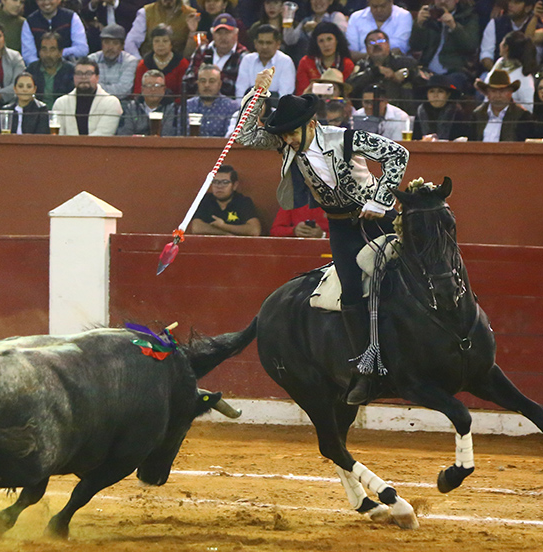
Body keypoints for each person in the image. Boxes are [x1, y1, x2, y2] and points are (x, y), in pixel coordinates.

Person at [237, 67, 409, 405]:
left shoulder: (344, 137)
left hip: (377, 217)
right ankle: (366, 369)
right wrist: (257, 96)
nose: (286, 140)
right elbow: (244, 136)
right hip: (342, 225)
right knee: (349, 292)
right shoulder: (286, 144)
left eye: (291, 133)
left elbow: (397, 154)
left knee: (412, 275)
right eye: (283, 134)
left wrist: (379, 199)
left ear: (311, 124)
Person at [410, 0, 480, 95]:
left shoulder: (468, 17)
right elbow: (415, 46)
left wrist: (454, 26)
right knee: (411, 80)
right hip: (428, 69)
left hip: (454, 70)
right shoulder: (428, 14)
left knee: (448, 86)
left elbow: (471, 47)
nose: (443, 1)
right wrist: (419, 24)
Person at [345, 28, 421, 114]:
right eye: (371, 42)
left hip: (402, 113)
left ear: (388, 45)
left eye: (381, 40)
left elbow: (422, 81)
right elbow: (350, 87)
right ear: (366, 49)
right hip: (367, 114)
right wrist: (374, 71)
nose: (376, 44)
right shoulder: (362, 66)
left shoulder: (405, 62)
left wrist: (406, 74)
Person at [182, 13, 248, 98]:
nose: (223, 37)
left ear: (236, 34)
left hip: (231, 106)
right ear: (213, 35)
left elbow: (237, 88)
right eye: (219, 33)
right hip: (199, 103)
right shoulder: (202, 51)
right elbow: (187, 82)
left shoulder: (243, 56)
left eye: (227, 33)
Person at [51, 56, 122, 135]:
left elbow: (103, 135)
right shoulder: (61, 103)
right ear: (74, 77)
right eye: (79, 74)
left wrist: (77, 146)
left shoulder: (111, 103)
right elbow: (58, 137)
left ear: (97, 77)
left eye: (88, 73)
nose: (83, 77)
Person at [189, 164, 262, 236]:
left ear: (235, 185)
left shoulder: (243, 202)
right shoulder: (205, 200)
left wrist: (223, 226)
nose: (219, 186)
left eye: (225, 182)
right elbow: (196, 228)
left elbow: (254, 230)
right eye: (215, 182)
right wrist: (224, 233)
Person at [470, 68, 531, 141]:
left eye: (502, 91)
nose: (498, 95)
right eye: (493, 91)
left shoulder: (522, 116)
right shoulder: (477, 115)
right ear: (487, 94)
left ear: (510, 93)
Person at [235, 23, 294, 97]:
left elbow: (285, 96)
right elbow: (240, 92)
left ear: (278, 44)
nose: (264, 47)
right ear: (255, 43)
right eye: (261, 42)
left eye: (269, 43)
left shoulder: (285, 62)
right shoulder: (247, 60)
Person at [295, 21, 353, 96]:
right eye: (321, 41)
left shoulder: (347, 64)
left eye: (329, 39)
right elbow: (301, 93)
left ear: (337, 40)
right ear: (316, 43)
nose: (326, 44)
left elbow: (346, 93)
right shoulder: (306, 62)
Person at [21, 0, 88, 64]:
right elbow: (28, 56)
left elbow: (82, 49)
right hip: (39, 70)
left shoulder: (72, 17)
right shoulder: (29, 22)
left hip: (69, 67)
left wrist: (59, 53)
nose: (46, 2)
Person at [478, 0, 537, 74]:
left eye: (516, 2)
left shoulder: (537, 25)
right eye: (510, 1)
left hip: (527, 74)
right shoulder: (495, 24)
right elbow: (486, 55)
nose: (510, 5)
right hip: (496, 73)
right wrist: (498, 73)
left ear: (528, 8)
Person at [124, 0, 196, 59]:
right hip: (149, 64)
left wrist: (192, 32)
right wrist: (139, 61)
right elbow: (131, 42)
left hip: (179, 65)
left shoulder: (191, 14)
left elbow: (194, 51)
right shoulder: (146, 12)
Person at [117, 67, 178, 134]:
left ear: (164, 89)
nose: (153, 89)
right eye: (149, 85)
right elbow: (125, 134)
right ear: (142, 89)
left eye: (157, 85)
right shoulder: (131, 107)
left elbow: (168, 134)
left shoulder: (172, 108)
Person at [282, 0, 347, 62]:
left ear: (330, 1)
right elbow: (289, 40)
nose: (318, 1)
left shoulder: (336, 16)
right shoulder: (306, 20)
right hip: (307, 65)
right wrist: (288, 17)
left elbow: (342, 38)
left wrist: (317, 28)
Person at [346, 0, 411, 62]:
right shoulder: (355, 17)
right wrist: (377, 57)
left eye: (383, 6)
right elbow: (351, 52)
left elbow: (399, 49)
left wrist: (370, 55)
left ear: (391, 2)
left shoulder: (403, 16)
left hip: (394, 63)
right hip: (363, 65)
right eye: (374, 6)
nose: (379, 10)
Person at [131, 23, 186, 96]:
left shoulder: (182, 64)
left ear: (171, 44)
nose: (161, 45)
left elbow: (184, 94)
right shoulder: (143, 65)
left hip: (175, 105)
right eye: (157, 41)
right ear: (152, 44)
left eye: (165, 41)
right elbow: (137, 92)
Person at [488, 30, 535, 112]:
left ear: (506, 47)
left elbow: (529, 108)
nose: (500, 44)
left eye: (502, 41)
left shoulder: (523, 76)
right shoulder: (499, 62)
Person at [185, 62, 238, 135]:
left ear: (219, 84)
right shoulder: (187, 106)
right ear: (197, 84)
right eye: (203, 81)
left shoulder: (232, 107)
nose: (207, 85)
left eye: (212, 81)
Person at [26, 31, 75, 108]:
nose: (48, 54)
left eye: (52, 50)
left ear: (60, 52)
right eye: (44, 49)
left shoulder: (71, 71)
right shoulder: (31, 70)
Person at [413, 73, 468, 140]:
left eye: (440, 91)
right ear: (427, 95)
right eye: (431, 91)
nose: (435, 95)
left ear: (448, 95)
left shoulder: (456, 113)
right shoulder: (421, 112)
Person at [90, 23, 138, 98]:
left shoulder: (130, 61)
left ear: (122, 46)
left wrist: (98, 89)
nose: (110, 47)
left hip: (121, 103)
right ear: (101, 44)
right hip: (94, 101)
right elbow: (90, 86)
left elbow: (123, 90)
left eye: (115, 43)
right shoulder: (92, 60)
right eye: (106, 42)